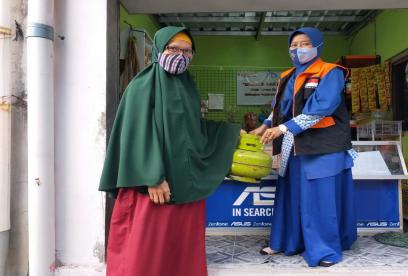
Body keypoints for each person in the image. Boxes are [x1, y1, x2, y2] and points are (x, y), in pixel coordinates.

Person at [99, 26, 240, 276]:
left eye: (187, 51)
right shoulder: (141, 86)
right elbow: (136, 133)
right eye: (173, 49)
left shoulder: (188, 88)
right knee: (146, 254)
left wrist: (232, 133)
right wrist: (151, 177)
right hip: (154, 189)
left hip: (184, 188)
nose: (180, 55)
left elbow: (192, 131)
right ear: (159, 50)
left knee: (179, 253)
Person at [250, 27, 357, 267]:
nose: (298, 48)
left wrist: (284, 128)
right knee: (289, 195)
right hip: (293, 147)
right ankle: (286, 241)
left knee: (320, 200)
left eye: (305, 43)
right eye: (294, 44)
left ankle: (325, 251)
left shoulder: (331, 72)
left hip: (323, 147)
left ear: (318, 45)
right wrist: (266, 124)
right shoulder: (286, 75)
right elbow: (281, 108)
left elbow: (322, 107)